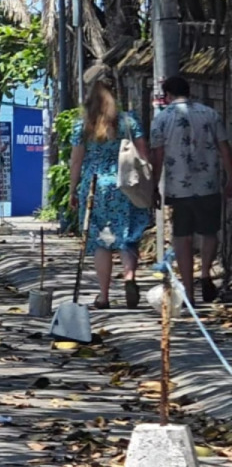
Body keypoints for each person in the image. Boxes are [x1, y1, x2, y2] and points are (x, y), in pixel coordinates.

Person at [68, 74, 151, 308]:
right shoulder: (128, 122)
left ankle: (104, 296)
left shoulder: (82, 126)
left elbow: (76, 161)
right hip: (125, 185)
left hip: (94, 187)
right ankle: (129, 277)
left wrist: (73, 189)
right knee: (127, 236)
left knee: (101, 242)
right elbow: (144, 155)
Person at [150, 73, 232, 304]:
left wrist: (154, 185)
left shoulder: (162, 119)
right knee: (209, 232)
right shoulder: (210, 114)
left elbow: (158, 156)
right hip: (208, 183)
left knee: (182, 237)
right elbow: (225, 148)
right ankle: (205, 273)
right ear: (189, 92)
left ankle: (188, 289)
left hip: (178, 187)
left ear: (167, 95)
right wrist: (230, 178)